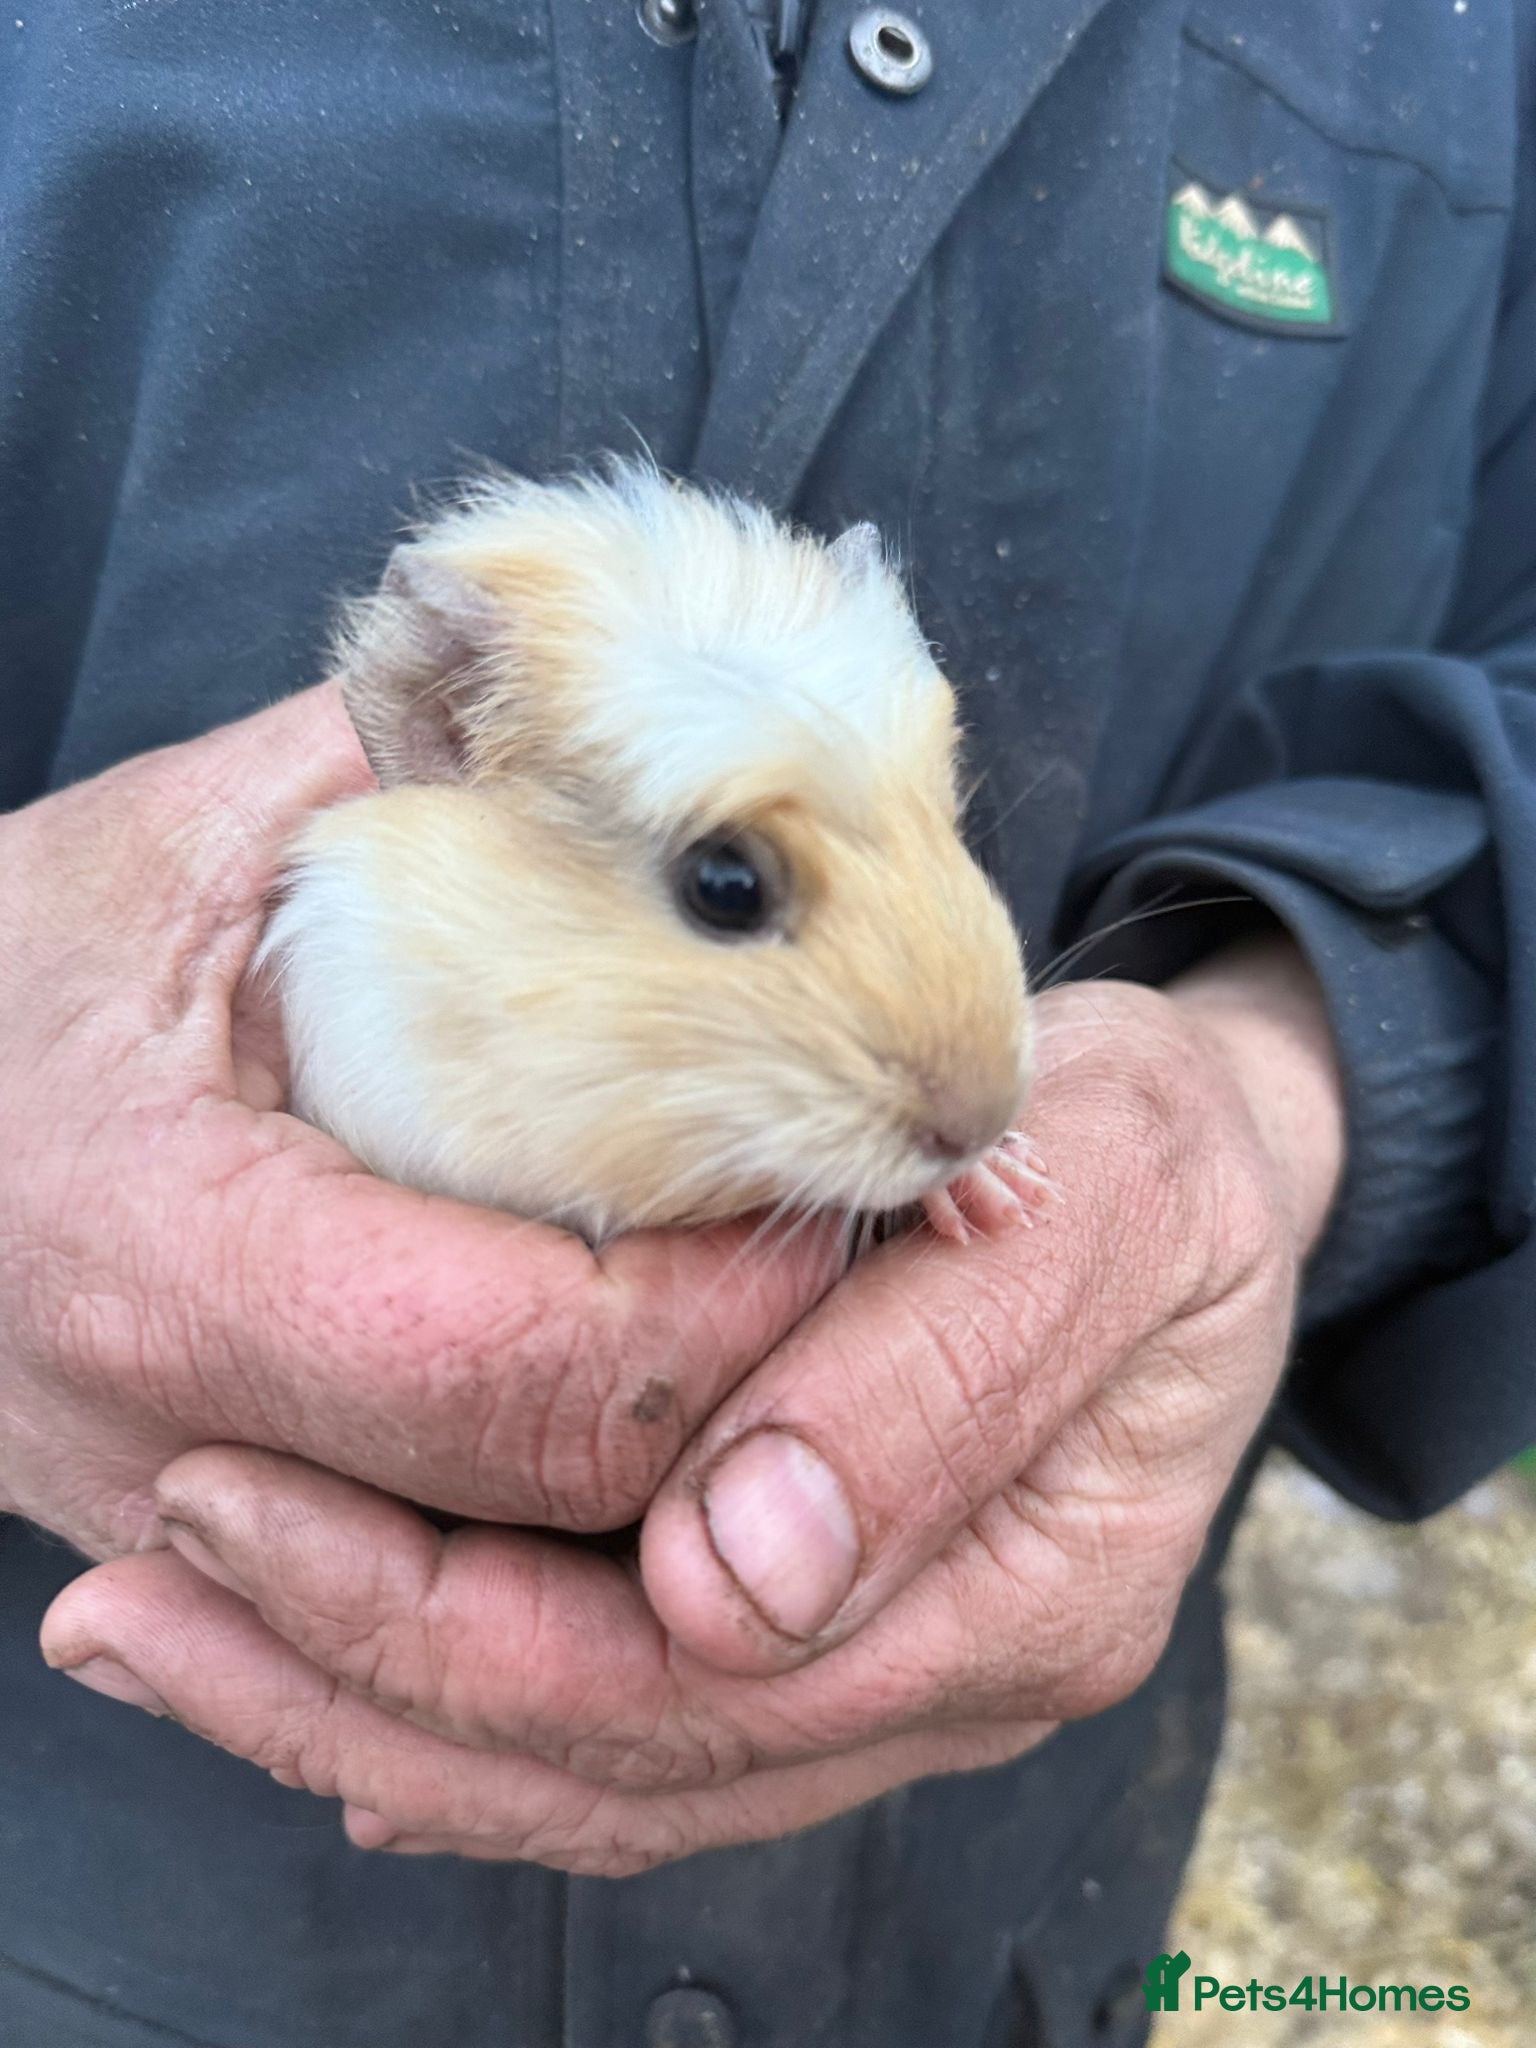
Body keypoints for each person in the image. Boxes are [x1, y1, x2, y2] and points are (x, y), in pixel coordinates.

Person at [2, 1, 1533, 2042]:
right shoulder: (447, 787)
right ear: (445, 736)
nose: (962, 1027)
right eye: (732, 886)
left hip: (991, 1933)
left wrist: (1296, 1062)